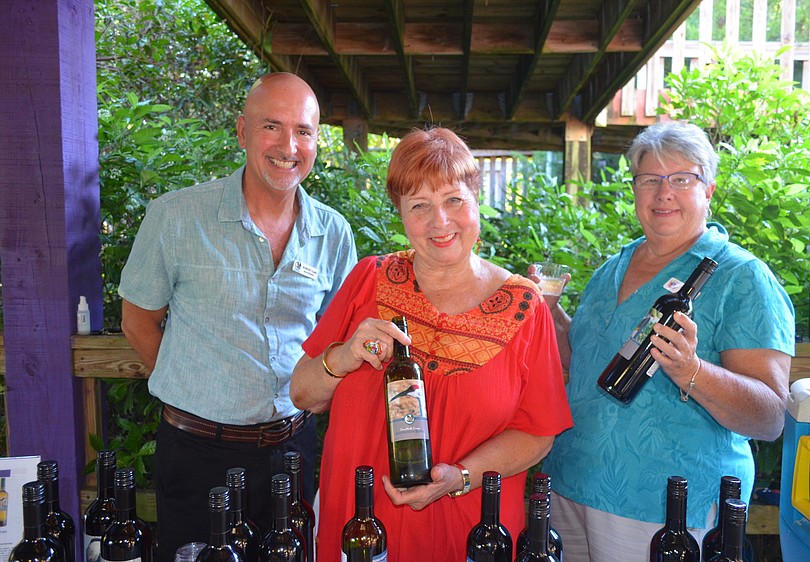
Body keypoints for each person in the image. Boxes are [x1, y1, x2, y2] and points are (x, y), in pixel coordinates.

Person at [290, 127, 573, 562]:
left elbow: (538, 433)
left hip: (473, 533)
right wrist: (344, 356)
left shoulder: (524, 307)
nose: (440, 222)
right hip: (363, 525)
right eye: (419, 206)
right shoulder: (369, 280)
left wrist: (459, 476)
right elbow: (302, 394)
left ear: (477, 199)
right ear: (401, 214)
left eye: (453, 200)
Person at [119, 72, 357, 562]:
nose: (289, 145)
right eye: (272, 126)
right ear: (242, 132)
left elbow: (338, 342)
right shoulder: (176, 218)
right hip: (196, 454)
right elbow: (138, 323)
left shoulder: (333, 233)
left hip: (293, 451)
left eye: (304, 131)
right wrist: (198, 390)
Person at [539, 121, 795, 560]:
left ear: (709, 189)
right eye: (650, 180)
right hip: (568, 485)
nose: (664, 193)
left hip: (663, 509)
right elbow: (583, 360)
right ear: (635, 189)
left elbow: (770, 416)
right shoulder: (613, 267)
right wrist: (550, 313)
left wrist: (691, 371)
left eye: (682, 179)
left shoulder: (741, 277)